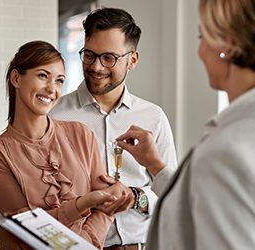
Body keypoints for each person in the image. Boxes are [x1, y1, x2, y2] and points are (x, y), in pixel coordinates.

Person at [116, 0, 255, 249]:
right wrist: (155, 166)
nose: (199, 51)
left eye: (202, 36)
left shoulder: (227, 153)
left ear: (226, 46)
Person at [0, 40, 131, 249]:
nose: (51, 89)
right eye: (42, 76)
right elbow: (27, 230)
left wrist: (84, 244)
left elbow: (106, 207)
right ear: (16, 78)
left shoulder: (81, 134)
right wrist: (82, 204)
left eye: (59, 81)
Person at [50, 7, 178, 249]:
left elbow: (170, 195)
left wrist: (135, 197)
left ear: (133, 60)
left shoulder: (153, 117)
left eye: (109, 57)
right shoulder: (55, 116)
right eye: (89, 55)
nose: (97, 67)